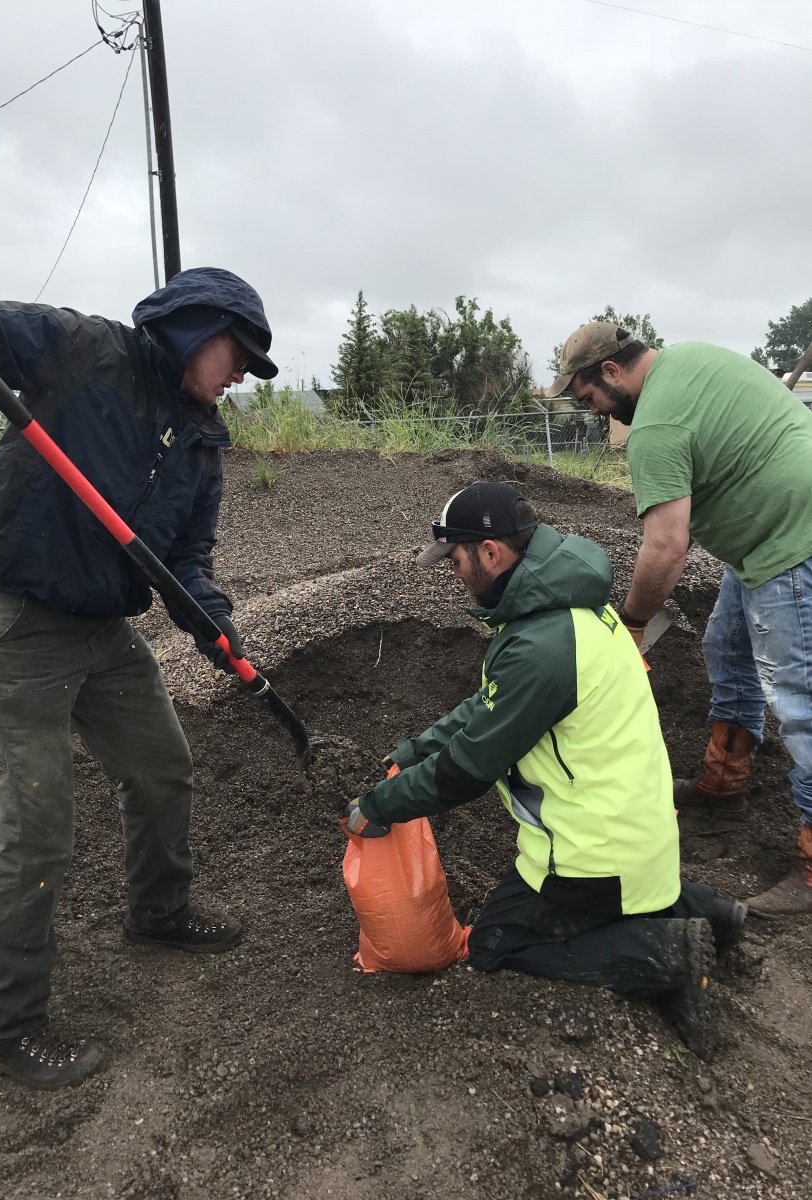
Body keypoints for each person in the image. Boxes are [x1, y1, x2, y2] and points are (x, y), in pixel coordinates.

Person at [0, 266, 278, 1089]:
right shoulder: (85, 349)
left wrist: (215, 624)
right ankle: (7, 1025)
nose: (243, 376)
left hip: (102, 629)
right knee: (35, 827)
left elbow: (185, 559)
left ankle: (158, 912)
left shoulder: (199, 438)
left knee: (160, 767)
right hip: (17, 623)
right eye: (240, 354)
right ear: (195, 327)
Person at [345, 482, 745, 1060]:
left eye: (455, 560)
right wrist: (412, 750)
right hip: (640, 835)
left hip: (594, 855)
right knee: (600, 898)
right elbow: (487, 705)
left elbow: (469, 769)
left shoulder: (540, 645)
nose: (453, 574)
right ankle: (711, 911)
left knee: (495, 943)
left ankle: (668, 955)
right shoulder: (569, 611)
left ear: (490, 553)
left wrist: (378, 807)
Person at [545, 323, 812, 917]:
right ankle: (723, 783)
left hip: (793, 540)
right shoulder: (691, 358)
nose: (593, 413)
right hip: (766, 537)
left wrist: (633, 622)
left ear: (611, 372)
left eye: (588, 398)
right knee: (727, 647)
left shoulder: (657, 425)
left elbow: (666, 546)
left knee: (800, 700)